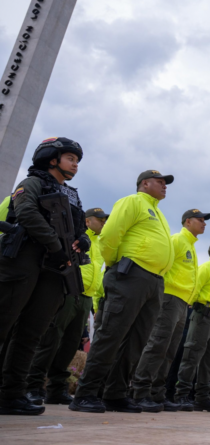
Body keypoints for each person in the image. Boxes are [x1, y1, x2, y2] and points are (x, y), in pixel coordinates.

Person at [71, 170, 175, 414]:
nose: (164, 186)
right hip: (130, 275)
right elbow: (109, 237)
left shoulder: (158, 212)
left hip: (154, 281)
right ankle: (86, 393)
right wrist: (119, 266)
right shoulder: (132, 201)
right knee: (112, 334)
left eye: (165, 183)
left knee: (137, 340)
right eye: (160, 182)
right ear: (144, 184)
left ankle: (115, 394)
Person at [0, 138, 89, 415]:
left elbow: (78, 228)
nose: (75, 163)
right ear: (52, 159)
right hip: (24, 259)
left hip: (54, 270)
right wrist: (55, 245)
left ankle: (12, 394)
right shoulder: (33, 183)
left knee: (32, 333)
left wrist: (82, 241)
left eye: (77, 160)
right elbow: (26, 212)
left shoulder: (72, 194)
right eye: (70, 158)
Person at [25, 207, 107, 407]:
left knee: (70, 344)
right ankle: (33, 387)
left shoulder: (100, 243)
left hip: (86, 298)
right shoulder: (77, 238)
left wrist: (94, 304)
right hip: (70, 292)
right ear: (87, 221)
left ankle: (56, 389)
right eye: (100, 219)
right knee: (51, 339)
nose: (104, 223)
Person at [130, 209, 210, 412]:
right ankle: (140, 392)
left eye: (204, 220)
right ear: (187, 222)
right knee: (157, 345)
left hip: (183, 303)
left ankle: (157, 394)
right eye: (200, 220)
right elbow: (163, 265)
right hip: (169, 299)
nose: (203, 223)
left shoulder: (190, 246)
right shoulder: (176, 240)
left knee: (169, 351)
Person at [174, 239, 210, 412]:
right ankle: (182, 395)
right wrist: (194, 309)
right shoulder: (207, 267)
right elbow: (195, 288)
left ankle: (202, 398)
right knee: (192, 355)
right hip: (204, 316)